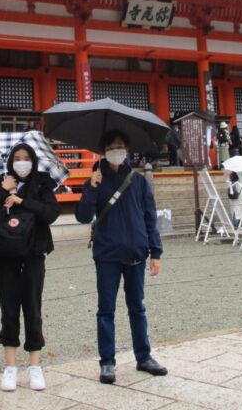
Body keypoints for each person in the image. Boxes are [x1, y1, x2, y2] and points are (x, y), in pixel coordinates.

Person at [75, 130, 167, 385]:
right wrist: (92, 188)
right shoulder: (96, 179)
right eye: (112, 147)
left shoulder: (138, 182)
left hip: (136, 252)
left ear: (127, 150)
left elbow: (150, 218)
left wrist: (155, 252)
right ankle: (107, 362)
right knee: (106, 310)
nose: (117, 151)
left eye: (121, 147)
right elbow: (83, 216)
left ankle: (144, 356)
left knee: (137, 308)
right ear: (104, 151)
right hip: (107, 254)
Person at [0, 143, 60, 392]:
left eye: (27, 158)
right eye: (17, 158)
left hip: (34, 254)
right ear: (10, 161)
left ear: (34, 160)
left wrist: (21, 200)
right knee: (9, 309)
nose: (22, 162)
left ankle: (35, 366)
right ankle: (10, 367)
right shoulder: (2, 181)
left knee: (33, 309)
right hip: (6, 255)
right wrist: (1, 192)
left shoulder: (43, 183)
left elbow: (50, 213)